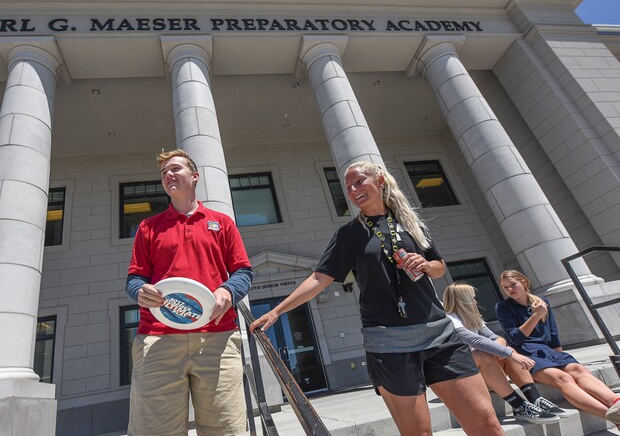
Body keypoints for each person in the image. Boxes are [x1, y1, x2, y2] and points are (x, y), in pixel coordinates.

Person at [251, 160, 504, 436]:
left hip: (439, 336)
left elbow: (439, 267)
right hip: (389, 344)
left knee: (487, 424)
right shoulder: (349, 234)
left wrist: (425, 265)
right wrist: (277, 311)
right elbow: (318, 279)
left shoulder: (410, 222)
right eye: (348, 187)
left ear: (380, 181)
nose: (353, 189)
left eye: (359, 181)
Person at [124, 149, 253, 436]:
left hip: (217, 339)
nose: (168, 175)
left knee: (227, 430)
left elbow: (244, 272)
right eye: (163, 173)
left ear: (194, 176)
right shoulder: (147, 228)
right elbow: (134, 279)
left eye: (175, 169)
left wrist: (228, 291)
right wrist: (139, 292)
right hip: (158, 340)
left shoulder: (223, 222)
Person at [496, 269, 620, 427]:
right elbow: (515, 338)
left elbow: (553, 334)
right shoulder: (503, 307)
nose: (510, 290)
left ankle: (616, 402)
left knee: (578, 369)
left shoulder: (542, 301)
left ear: (524, 282)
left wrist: (559, 359)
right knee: (564, 378)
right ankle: (614, 418)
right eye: (505, 287)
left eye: (513, 285)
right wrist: (536, 316)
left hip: (548, 351)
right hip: (526, 353)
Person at [443, 282, 565, 424]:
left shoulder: (472, 318)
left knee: (505, 349)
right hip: (460, 377)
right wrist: (509, 353)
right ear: (462, 300)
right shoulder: (450, 320)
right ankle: (518, 405)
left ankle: (535, 398)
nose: (475, 301)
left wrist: (504, 350)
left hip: (480, 372)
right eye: (472, 298)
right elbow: (476, 341)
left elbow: (495, 338)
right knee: (485, 354)